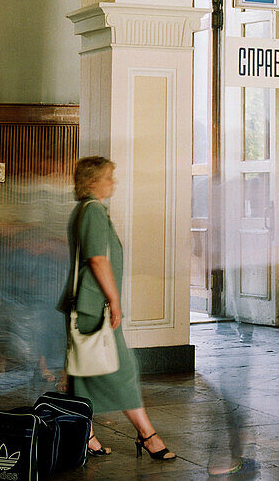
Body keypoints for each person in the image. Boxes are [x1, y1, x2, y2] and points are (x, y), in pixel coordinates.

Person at [58, 156, 176, 461]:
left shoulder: (84, 211)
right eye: (110, 177)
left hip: (86, 304)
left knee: (83, 373)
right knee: (123, 371)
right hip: (94, 306)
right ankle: (147, 436)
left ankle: (86, 437)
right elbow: (98, 260)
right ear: (94, 181)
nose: (115, 182)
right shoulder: (93, 211)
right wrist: (114, 300)